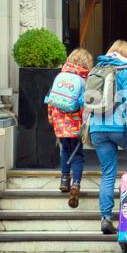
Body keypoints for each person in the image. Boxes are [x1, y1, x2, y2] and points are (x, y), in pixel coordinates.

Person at [89, 40, 127, 234]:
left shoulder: (96, 69)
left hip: (97, 127)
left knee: (108, 172)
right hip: (120, 126)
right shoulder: (126, 70)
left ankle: (106, 217)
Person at [48, 48, 94, 209]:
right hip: (75, 125)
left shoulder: (60, 76)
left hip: (60, 124)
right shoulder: (82, 81)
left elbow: (51, 101)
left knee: (65, 151)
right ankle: (76, 184)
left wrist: (52, 120)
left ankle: (64, 179)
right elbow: (84, 106)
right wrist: (85, 124)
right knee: (78, 155)